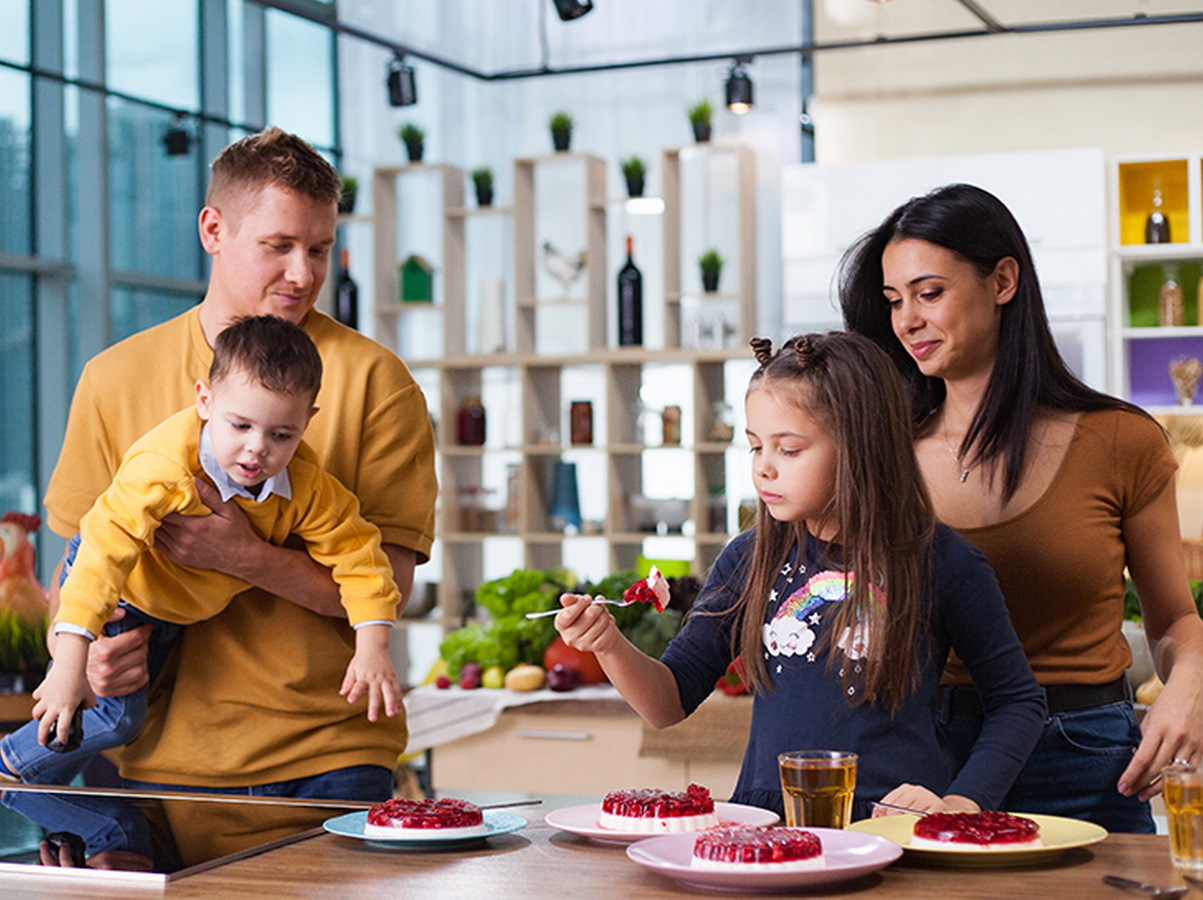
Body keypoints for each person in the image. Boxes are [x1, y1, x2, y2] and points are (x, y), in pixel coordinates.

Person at [41, 126, 437, 801]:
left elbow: (388, 586)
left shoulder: (378, 381)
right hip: (158, 768)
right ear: (213, 230)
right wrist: (83, 652)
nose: (303, 274)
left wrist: (243, 555)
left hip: (328, 758)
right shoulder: (113, 377)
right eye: (278, 247)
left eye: (318, 250)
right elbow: (76, 559)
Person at [553, 331, 1045, 821]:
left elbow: (1018, 703)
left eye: (788, 450)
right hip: (768, 826)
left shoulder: (944, 561)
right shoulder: (747, 559)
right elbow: (668, 703)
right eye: (754, 447)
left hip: (893, 826)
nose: (764, 469)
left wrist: (960, 804)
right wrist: (608, 644)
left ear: (861, 447)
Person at [840, 182, 1203, 832]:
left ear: (1002, 280)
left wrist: (1186, 689)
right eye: (894, 301)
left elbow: (1173, 617)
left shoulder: (1119, 439)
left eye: (929, 293)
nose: (906, 321)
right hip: (921, 765)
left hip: (1081, 759)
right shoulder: (877, 451)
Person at [2, 315, 404, 785]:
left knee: (122, 716)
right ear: (205, 401)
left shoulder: (307, 485)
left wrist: (372, 647)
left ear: (307, 423)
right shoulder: (162, 467)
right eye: (240, 425)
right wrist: (71, 663)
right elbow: (99, 558)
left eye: (281, 435)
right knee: (119, 719)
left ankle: (34, 769)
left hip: (177, 606)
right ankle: (13, 765)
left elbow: (362, 558)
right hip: (125, 589)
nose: (257, 450)